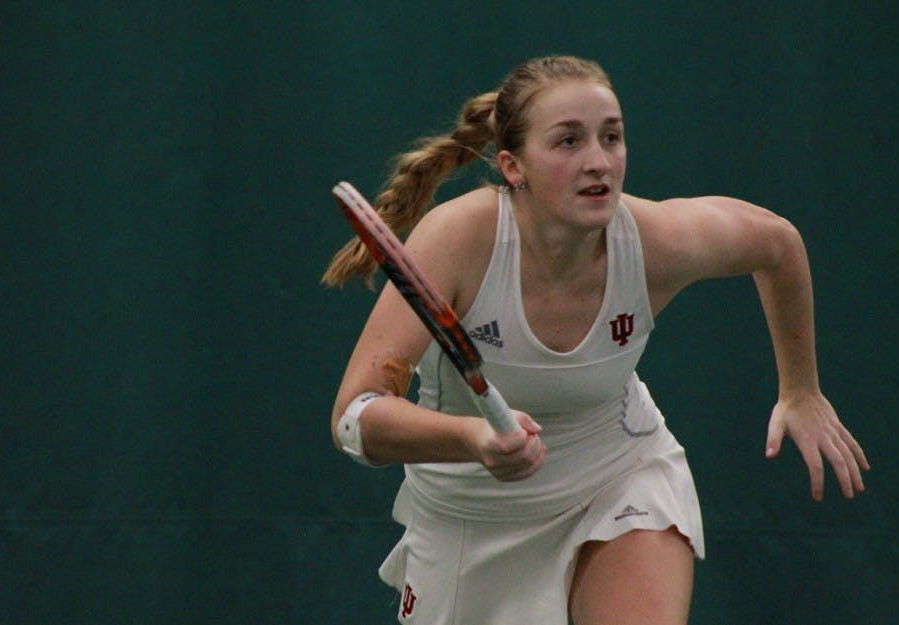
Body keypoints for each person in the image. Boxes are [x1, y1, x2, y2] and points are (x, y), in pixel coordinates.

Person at [322, 55, 869, 625]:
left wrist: (801, 391)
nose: (599, 162)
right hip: (470, 516)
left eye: (612, 137)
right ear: (513, 167)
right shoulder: (459, 239)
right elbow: (354, 419)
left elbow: (777, 245)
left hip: (616, 474)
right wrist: (473, 438)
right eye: (568, 142)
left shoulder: (655, 240)